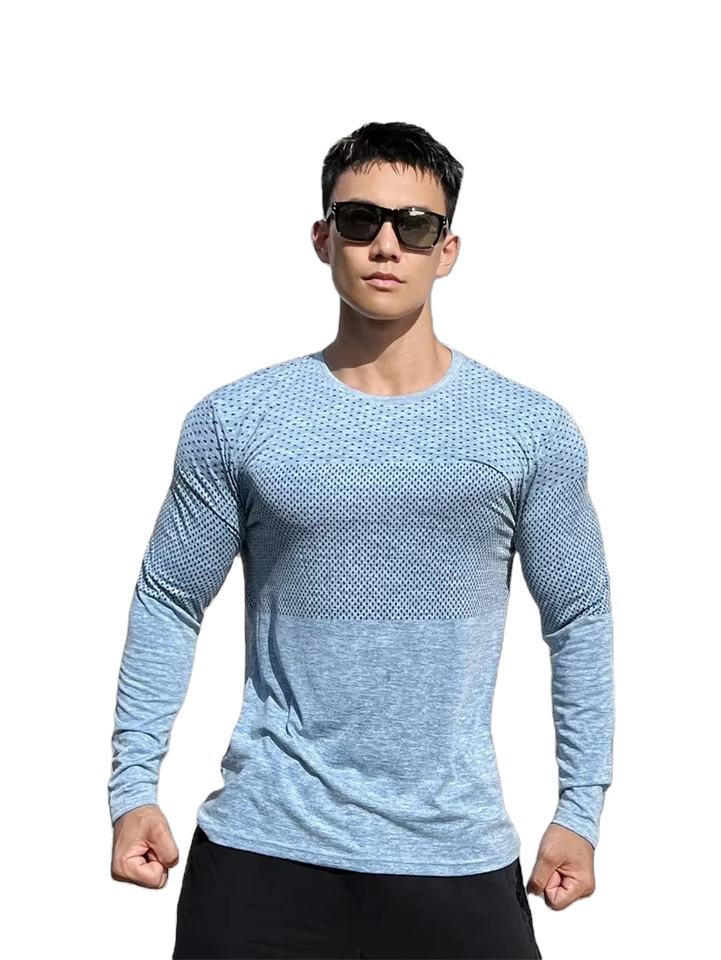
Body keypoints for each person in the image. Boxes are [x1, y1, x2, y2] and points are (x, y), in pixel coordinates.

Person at [107, 121, 614, 959]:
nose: (386, 244)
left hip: (454, 855)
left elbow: (579, 615)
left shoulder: (528, 431)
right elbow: (169, 598)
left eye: (414, 225)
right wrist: (133, 787)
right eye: (359, 220)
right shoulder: (237, 420)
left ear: (447, 250)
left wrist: (580, 808)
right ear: (322, 238)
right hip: (262, 857)